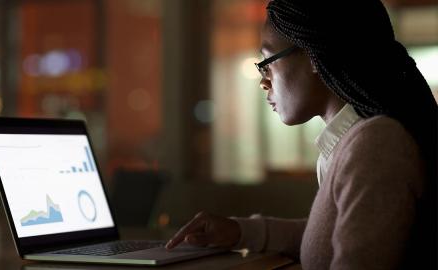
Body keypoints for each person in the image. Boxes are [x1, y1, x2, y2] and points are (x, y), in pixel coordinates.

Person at [165, 0, 437, 269]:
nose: (263, 80)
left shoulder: (376, 146)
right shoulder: (353, 143)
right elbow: (334, 238)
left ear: (313, 56)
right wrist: (241, 231)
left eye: (267, 60)